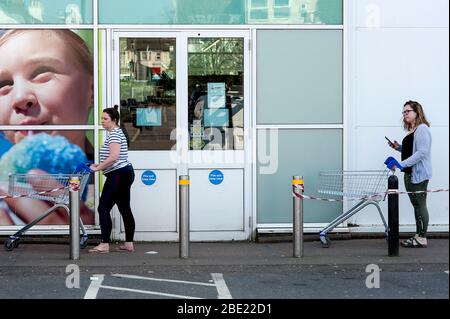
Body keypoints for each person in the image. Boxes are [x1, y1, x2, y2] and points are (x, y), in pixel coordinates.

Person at [0, 29, 94, 225]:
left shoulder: (101, 187)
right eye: (4, 84)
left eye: (42, 73)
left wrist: (79, 228)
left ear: (91, 91)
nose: (19, 98)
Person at [88, 106, 135, 253]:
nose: (102, 121)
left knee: (103, 208)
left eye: (105, 119)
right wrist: (100, 164)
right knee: (124, 208)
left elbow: (114, 157)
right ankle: (129, 243)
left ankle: (104, 244)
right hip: (124, 173)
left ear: (113, 120)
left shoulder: (114, 134)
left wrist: (98, 167)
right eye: (101, 118)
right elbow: (115, 157)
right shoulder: (117, 132)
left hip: (118, 174)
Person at [387, 100, 432, 248]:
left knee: (420, 205)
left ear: (417, 112)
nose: (405, 114)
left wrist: (402, 164)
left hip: (417, 174)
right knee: (416, 205)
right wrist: (398, 148)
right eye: (403, 112)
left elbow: (422, 152)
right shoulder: (413, 131)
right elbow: (411, 151)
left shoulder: (422, 128)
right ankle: (419, 235)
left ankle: (422, 237)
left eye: (408, 111)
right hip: (409, 173)